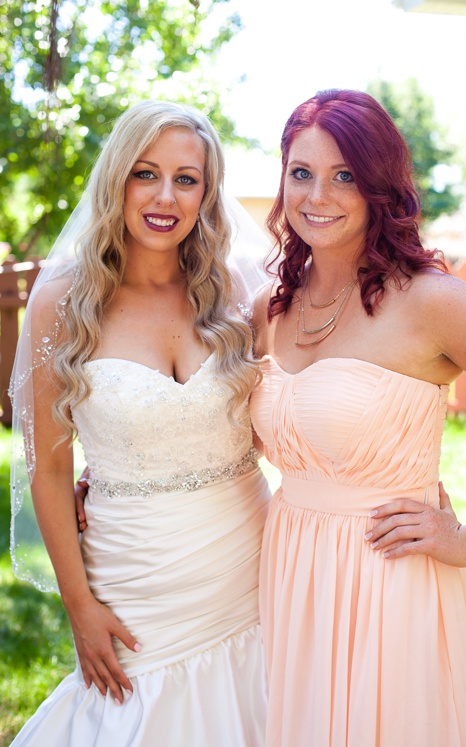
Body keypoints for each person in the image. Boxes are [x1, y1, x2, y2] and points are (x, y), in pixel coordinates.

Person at [10, 100, 270, 746]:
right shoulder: (64, 300)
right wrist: (79, 605)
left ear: (208, 192)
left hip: (252, 567)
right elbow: (48, 471)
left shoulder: (237, 288)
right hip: (135, 585)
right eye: (145, 173)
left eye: (187, 178)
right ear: (116, 177)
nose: (165, 196)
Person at [250, 89, 466, 745]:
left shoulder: (434, 301)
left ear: (378, 185)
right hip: (289, 576)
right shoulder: (268, 310)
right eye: (301, 173)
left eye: (344, 176)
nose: (317, 196)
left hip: (389, 583)